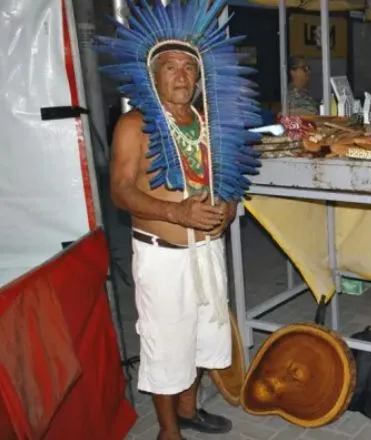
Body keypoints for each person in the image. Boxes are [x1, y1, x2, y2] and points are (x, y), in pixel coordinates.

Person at [95, 1, 262, 439]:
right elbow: (121, 190)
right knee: (166, 345)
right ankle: (168, 431)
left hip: (207, 249)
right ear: (153, 74)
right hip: (162, 257)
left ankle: (188, 409)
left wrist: (226, 207)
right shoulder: (135, 125)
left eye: (190, 67)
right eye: (171, 67)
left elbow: (219, 181)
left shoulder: (207, 124)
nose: (182, 76)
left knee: (205, 335)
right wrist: (176, 212)